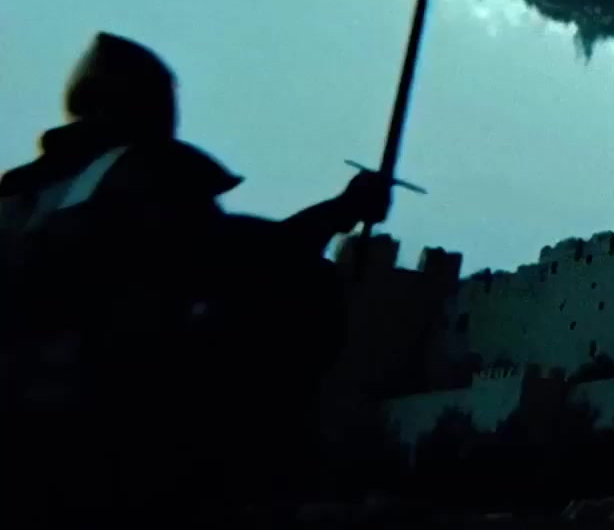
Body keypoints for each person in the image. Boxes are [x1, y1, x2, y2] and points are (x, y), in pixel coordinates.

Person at [0, 33, 397, 526]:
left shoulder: (18, 195)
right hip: (105, 440)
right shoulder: (142, 173)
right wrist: (342, 210)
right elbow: (243, 258)